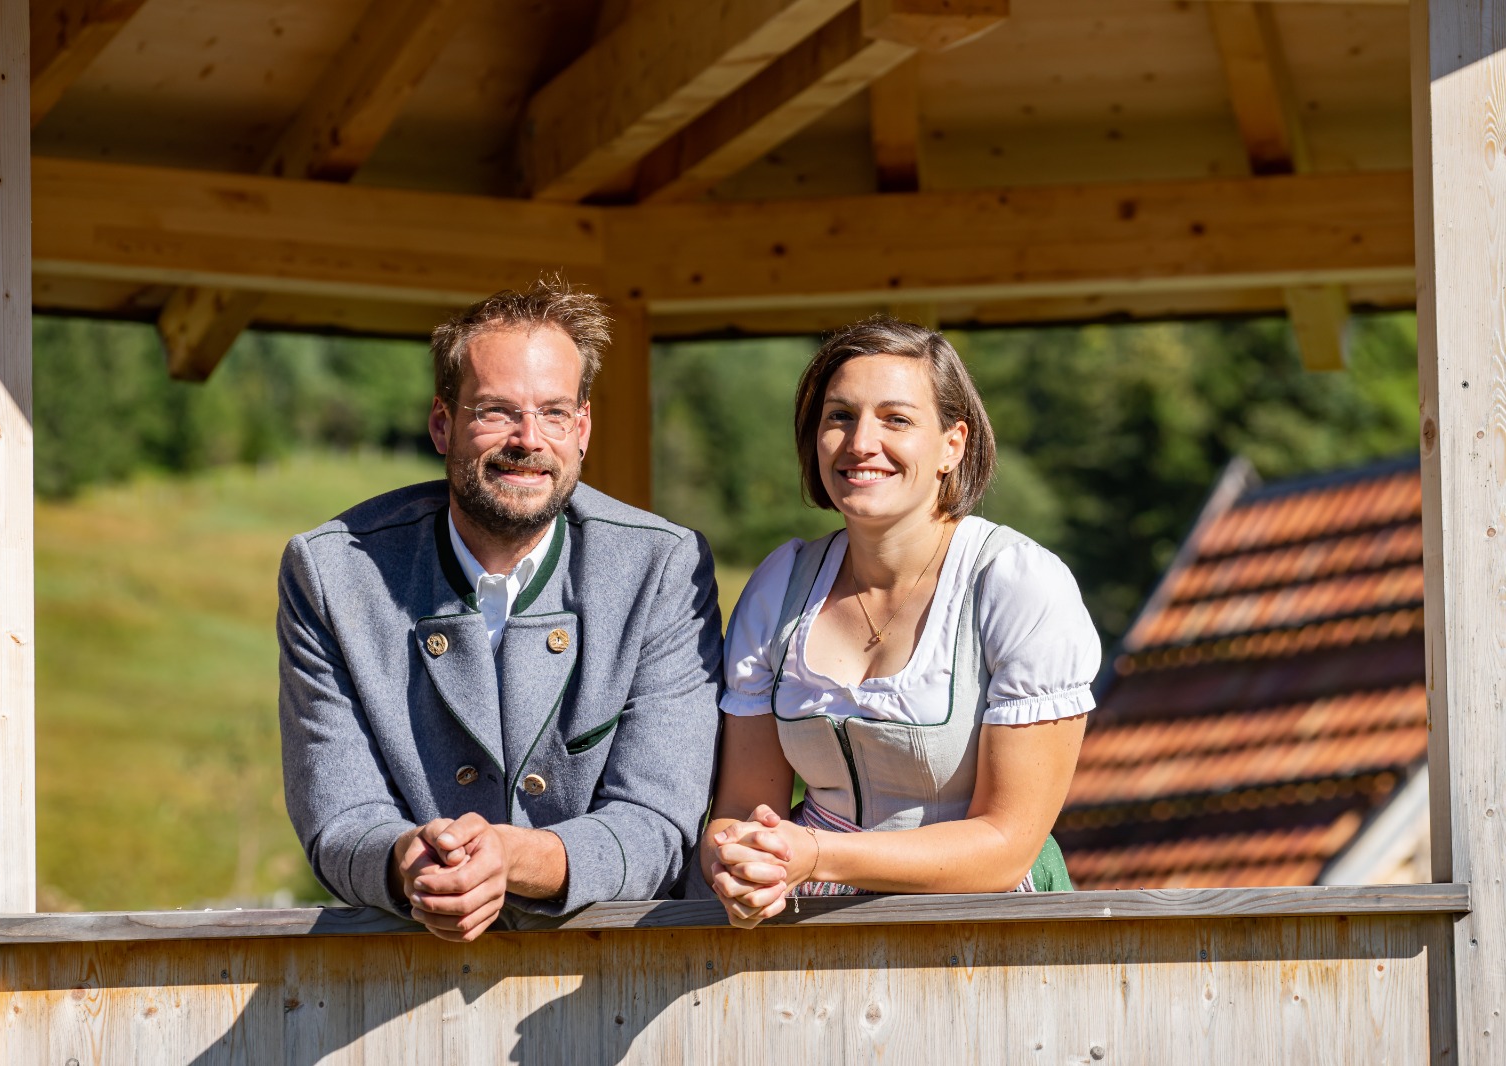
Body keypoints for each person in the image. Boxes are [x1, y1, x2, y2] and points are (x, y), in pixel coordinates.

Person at [278, 278, 722, 941]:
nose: (527, 439)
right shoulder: (331, 574)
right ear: (441, 424)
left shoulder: (663, 568)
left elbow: (658, 820)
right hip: (398, 981)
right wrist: (415, 865)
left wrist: (511, 860)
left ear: (584, 429)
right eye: (495, 411)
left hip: (618, 980)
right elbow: (339, 814)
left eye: (554, 413)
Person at [702, 319, 1100, 928]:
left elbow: (1006, 844)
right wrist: (737, 864)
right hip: (809, 927)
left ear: (952, 444)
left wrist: (816, 855)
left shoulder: (1017, 583)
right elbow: (738, 809)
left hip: (988, 931)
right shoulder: (780, 585)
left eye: (896, 419)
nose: (861, 442)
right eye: (839, 416)